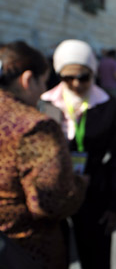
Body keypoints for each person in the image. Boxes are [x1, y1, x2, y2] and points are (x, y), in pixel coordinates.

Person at [41, 39, 116, 269]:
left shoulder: (109, 105)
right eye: (68, 77)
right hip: (54, 194)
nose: (77, 83)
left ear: (93, 72)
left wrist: (115, 204)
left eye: (83, 76)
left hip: (95, 192)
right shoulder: (45, 104)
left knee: (96, 257)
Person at [0, 41, 87, 269]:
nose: (43, 92)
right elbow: (49, 202)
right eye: (45, 82)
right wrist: (79, 185)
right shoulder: (35, 126)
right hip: (26, 248)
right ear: (28, 79)